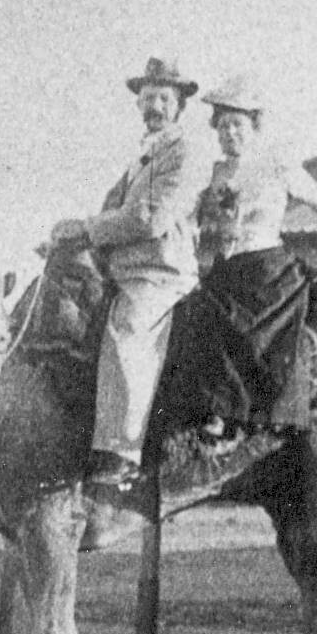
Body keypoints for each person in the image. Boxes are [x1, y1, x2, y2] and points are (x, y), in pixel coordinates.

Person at [152, 72, 317, 454]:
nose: (230, 134)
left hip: (268, 274)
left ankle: (257, 416)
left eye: (237, 125)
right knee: (196, 318)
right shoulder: (211, 174)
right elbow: (184, 218)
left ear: (254, 126)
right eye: (223, 127)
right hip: (223, 273)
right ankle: (210, 415)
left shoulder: (277, 166)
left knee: (259, 333)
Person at [50, 56, 208, 489]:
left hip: (160, 272)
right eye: (147, 97)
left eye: (163, 98)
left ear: (178, 107)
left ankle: (121, 452)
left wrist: (86, 230)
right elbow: (112, 210)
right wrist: (68, 240)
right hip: (124, 268)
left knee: (129, 328)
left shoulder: (185, 153)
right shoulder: (143, 154)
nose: (154, 105)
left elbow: (150, 218)